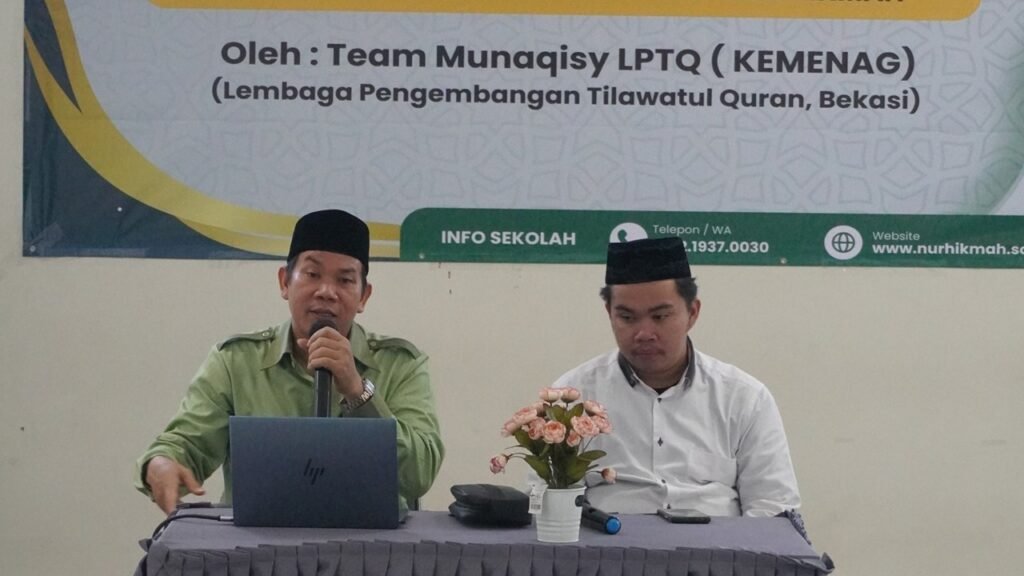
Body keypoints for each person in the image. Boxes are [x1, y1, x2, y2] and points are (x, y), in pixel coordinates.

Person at [134, 209, 444, 514]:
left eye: (345, 280)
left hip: (368, 541)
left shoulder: (401, 364)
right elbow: (188, 443)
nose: (326, 292)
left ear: (363, 296)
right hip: (259, 542)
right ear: (285, 282)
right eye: (312, 274)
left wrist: (357, 391)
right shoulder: (236, 361)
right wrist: (162, 462)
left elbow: (419, 475)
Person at [553, 236, 800, 517]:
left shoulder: (744, 398)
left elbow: (773, 507)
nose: (644, 333)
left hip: (716, 544)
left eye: (660, 317)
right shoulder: (573, 397)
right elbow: (548, 502)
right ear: (610, 313)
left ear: (692, 313)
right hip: (609, 542)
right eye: (628, 318)